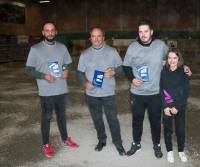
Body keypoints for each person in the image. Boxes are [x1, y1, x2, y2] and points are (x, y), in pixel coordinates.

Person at [123, 19, 192, 158]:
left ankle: (157, 145)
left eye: (146, 31)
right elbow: (126, 66)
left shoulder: (160, 45)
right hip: (137, 93)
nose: (143, 34)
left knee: (155, 120)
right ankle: (136, 144)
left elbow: (173, 56)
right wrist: (132, 78)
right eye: (140, 32)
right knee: (137, 120)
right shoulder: (132, 47)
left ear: (151, 32)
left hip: (155, 92)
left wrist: (184, 66)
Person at [25, 22, 78, 157]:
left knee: (62, 116)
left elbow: (69, 63)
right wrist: (44, 76)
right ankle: (46, 144)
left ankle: (65, 139)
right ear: (43, 32)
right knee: (47, 118)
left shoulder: (62, 47)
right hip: (46, 91)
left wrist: (66, 70)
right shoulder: (35, 49)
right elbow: (29, 69)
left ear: (56, 32)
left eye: (52, 30)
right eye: (47, 30)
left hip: (61, 89)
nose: (50, 33)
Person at [77, 27, 126, 156]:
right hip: (92, 95)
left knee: (112, 119)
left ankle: (118, 142)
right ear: (90, 38)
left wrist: (114, 71)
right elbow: (80, 72)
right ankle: (102, 140)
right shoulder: (85, 54)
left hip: (108, 93)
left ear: (103, 38)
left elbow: (122, 68)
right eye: (94, 36)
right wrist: (85, 83)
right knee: (97, 119)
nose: (96, 39)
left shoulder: (112, 51)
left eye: (99, 36)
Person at [160, 48, 190, 163]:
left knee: (180, 130)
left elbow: (186, 91)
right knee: (168, 129)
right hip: (167, 106)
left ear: (179, 59)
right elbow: (160, 89)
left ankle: (181, 151)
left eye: (174, 58)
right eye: (169, 58)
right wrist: (165, 106)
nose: (172, 60)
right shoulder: (163, 71)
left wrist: (177, 107)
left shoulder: (183, 72)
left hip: (179, 106)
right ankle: (169, 151)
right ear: (167, 59)